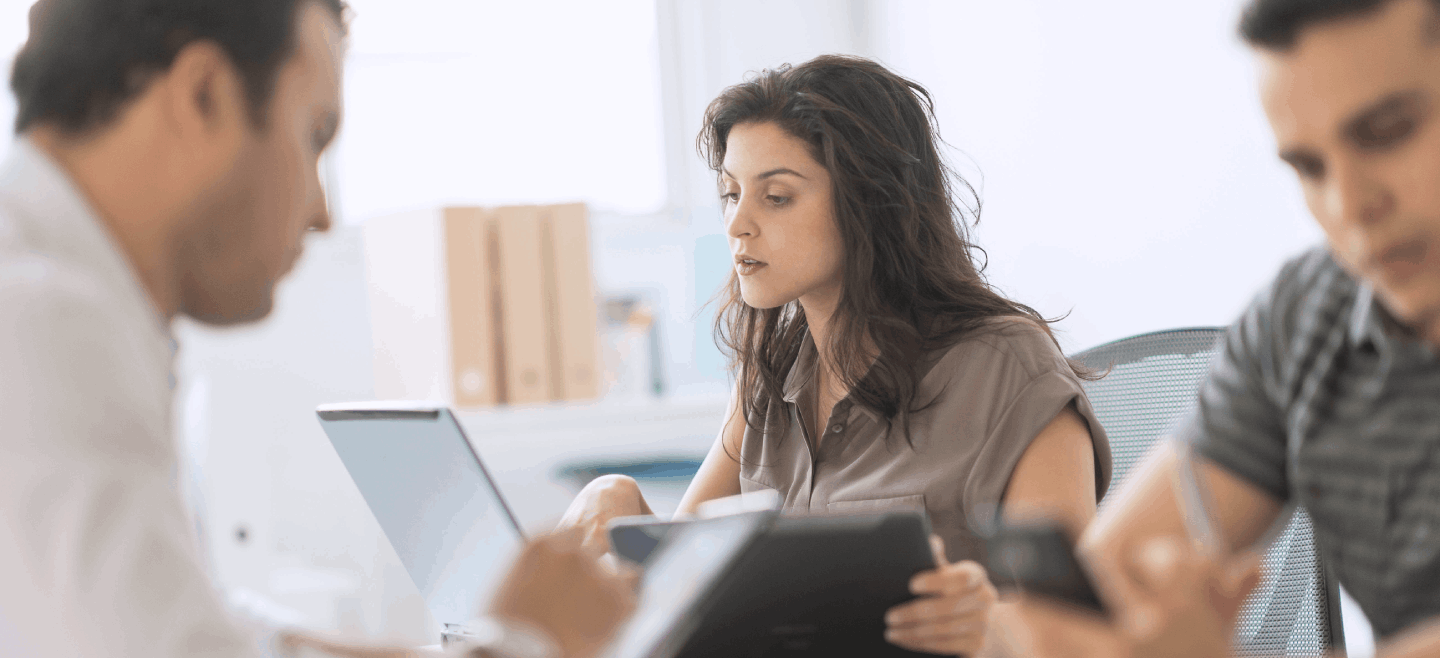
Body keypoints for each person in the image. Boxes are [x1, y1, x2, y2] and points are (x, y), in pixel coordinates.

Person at [0, 1, 634, 657]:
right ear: (203, 95)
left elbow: (190, 626)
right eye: (314, 136)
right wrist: (524, 642)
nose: (322, 212)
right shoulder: (43, 325)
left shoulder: (60, 296)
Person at [559, 54, 1113, 657]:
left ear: (869, 203)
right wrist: (609, 498)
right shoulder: (773, 373)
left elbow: (1080, 633)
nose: (738, 224)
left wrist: (990, 627)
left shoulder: (1008, 367)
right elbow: (680, 583)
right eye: (730, 193)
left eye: (776, 197)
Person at [1011, 0, 1440, 654]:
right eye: (1309, 167)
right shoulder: (1306, 320)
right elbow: (1097, 598)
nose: (1350, 206)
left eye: (1389, 130)